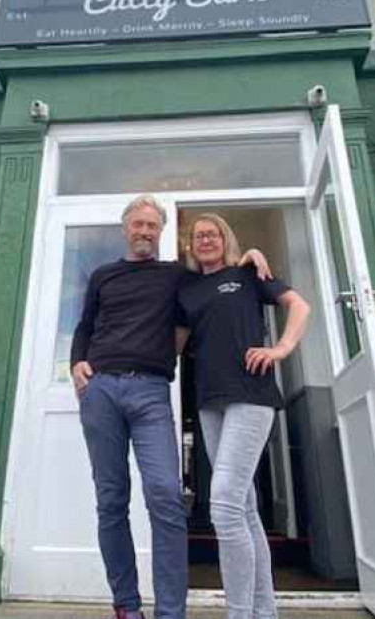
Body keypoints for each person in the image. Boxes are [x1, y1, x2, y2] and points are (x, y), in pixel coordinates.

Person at [71, 195, 271, 619]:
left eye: (152, 226)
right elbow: (85, 326)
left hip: (150, 392)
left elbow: (218, 271)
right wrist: (76, 363)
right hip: (101, 389)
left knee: (164, 494)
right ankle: (126, 605)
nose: (145, 231)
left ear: (160, 232)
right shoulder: (103, 276)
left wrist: (249, 258)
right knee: (111, 499)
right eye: (138, 224)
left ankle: (170, 612)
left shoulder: (176, 276)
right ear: (125, 228)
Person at [177, 213, 310, 619]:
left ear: (225, 238)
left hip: (250, 395)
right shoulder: (188, 291)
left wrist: (281, 349)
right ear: (190, 245)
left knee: (224, 506)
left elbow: (299, 306)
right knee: (245, 508)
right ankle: (263, 612)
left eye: (213, 233)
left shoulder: (249, 273)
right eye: (198, 235)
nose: (205, 240)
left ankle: (240, 613)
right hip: (209, 402)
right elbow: (176, 345)